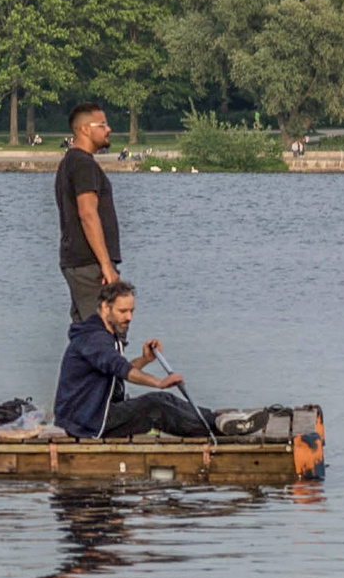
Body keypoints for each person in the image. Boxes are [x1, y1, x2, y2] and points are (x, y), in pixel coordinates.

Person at [53, 280, 270, 440]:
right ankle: (215, 428)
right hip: (87, 420)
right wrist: (159, 382)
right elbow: (120, 368)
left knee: (165, 401)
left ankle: (220, 420)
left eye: (131, 311)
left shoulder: (104, 334)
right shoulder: (94, 339)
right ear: (105, 308)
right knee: (155, 407)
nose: (129, 317)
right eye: (123, 311)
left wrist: (145, 360)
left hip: (94, 412)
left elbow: (117, 371)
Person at [55, 102, 120, 326]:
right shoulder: (83, 164)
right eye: (102, 125)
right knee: (104, 330)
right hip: (88, 263)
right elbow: (87, 213)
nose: (108, 129)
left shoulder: (69, 162)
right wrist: (105, 265)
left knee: (84, 332)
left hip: (77, 261)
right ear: (84, 129)